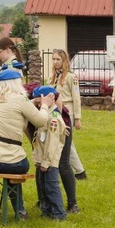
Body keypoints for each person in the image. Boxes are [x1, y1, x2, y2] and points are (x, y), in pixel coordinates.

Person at [0, 69, 54, 218]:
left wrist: (31, 102)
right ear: (18, 83)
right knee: (13, 169)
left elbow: (13, 109)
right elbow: (41, 120)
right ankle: (20, 211)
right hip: (13, 160)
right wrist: (44, 105)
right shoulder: (20, 100)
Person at [49, 49, 81, 213]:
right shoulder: (52, 77)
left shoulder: (70, 77)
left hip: (67, 116)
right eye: (53, 59)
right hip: (53, 117)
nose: (55, 62)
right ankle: (45, 199)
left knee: (64, 161)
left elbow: (76, 97)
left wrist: (77, 118)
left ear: (64, 60)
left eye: (58, 59)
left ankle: (72, 202)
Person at [30, 85, 67, 221]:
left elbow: (52, 143)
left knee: (51, 186)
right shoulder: (44, 114)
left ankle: (59, 213)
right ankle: (46, 210)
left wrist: (46, 162)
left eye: (37, 100)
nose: (36, 103)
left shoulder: (53, 118)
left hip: (50, 160)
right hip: (42, 158)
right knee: (43, 186)